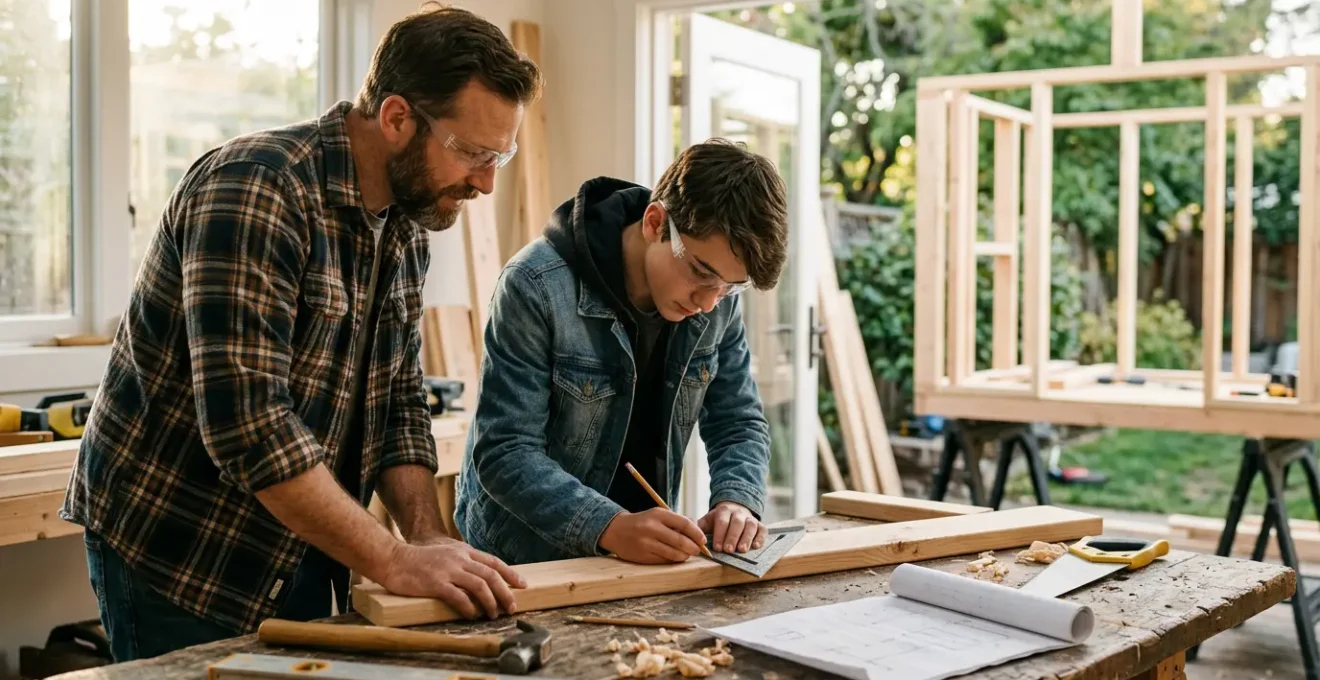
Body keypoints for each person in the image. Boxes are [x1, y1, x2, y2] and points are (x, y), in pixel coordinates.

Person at [59, 4, 542, 662]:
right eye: (472, 153)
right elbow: (250, 427)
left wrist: (424, 536)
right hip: (180, 549)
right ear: (397, 118)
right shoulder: (257, 188)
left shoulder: (401, 226)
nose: (485, 183)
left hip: (303, 540)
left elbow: (397, 402)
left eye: (500, 158)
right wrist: (391, 559)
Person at [454, 139, 789, 566]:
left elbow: (738, 421)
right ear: (654, 222)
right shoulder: (535, 285)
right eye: (701, 272)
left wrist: (738, 501)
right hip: (525, 558)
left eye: (730, 286)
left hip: (638, 560)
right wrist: (609, 526)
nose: (708, 302)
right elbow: (505, 452)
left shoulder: (717, 299)